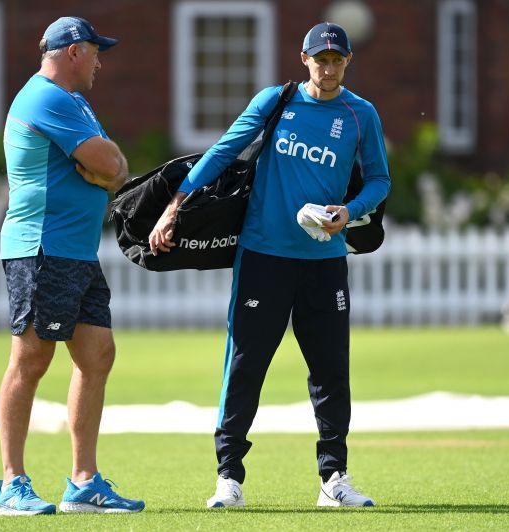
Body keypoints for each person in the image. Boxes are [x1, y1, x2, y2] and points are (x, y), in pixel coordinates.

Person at [149, 21, 391, 508]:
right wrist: (175, 204)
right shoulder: (275, 101)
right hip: (264, 257)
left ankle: (334, 478)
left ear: (347, 62)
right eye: (319, 60)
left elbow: (380, 182)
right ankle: (228, 477)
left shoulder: (361, 114)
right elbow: (223, 152)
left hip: (324, 262)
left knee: (331, 371)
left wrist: (350, 210)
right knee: (245, 364)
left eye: (336, 60)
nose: (327, 68)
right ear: (304, 60)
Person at [0, 16, 144, 515]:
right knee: (32, 359)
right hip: (42, 247)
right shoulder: (47, 97)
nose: (101, 61)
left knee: (97, 354)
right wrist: (106, 171)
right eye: (97, 51)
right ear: (75, 51)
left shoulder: (75, 102)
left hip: (76, 251)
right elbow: (106, 163)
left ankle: (83, 482)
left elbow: (116, 167)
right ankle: (10, 484)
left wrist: (108, 170)